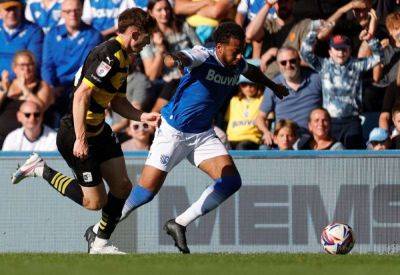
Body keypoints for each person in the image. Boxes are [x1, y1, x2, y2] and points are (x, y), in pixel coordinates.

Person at [84, 22, 288, 254]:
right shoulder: (204, 55)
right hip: (173, 131)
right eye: (235, 50)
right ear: (219, 47)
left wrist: (274, 86)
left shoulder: (237, 63)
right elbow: (183, 56)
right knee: (145, 193)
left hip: (202, 134)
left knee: (231, 181)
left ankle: (179, 223)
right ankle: (97, 231)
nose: (240, 55)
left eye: (242, 50)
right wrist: (177, 59)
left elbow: (251, 71)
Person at [11, 8, 160, 255]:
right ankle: (40, 169)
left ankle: (99, 243)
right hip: (75, 132)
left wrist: (142, 115)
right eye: (146, 37)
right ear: (134, 34)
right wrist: (80, 139)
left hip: (99, 129)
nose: (148, 42)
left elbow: (118, 102)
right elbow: (81, 95)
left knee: (122, 187)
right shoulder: (109, 55)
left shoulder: (124, 58)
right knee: (94, 202)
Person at [300, 20, 382, 149]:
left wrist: (370, 39)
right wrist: (313, 31)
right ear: (330, 51)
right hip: (330, 121)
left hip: (352, 120)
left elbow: (378, 57)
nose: (340, 52)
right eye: (337, 49)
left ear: (350, 50)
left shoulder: (357, 64)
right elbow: (305, 54)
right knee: (331, 156)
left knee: (354, 155)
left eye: (344, 49)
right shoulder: (324, 65)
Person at [42, 0, 103, 121]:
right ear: (62, 13)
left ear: (82, 11)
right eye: (68, 11)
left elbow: (90, 68)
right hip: (56, 86)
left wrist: (79, 87)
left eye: (76, 10)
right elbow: (47, 65)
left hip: (81, 86)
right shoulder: (52, 34)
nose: (72, 14)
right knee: (41, 98)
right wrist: (51, 87)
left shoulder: (94, 36)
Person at [255, 46, 321, 147]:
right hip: (285, 140)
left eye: (292, 61)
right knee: (264, 149)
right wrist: (266, 132)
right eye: (283, 62)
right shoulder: (273, 85)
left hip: (311, 139)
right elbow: (260, 117)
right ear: (278, 65)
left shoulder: (316, 79)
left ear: (299, 61)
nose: (288, 65)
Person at [0, 50, 52, 147]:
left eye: (30, 65)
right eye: (22, 66)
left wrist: (25, 88)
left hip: (29, 139)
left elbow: (40, 108)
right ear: (14, 68)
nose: (26, 69)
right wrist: (3, 90)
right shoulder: (7, 84)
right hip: (2, 137)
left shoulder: (42, 86)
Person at [0, 0, 43, 79]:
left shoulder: (34, 32)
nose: (12, 13)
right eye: (8, 9)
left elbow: (33, 64)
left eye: (15, 9)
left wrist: (8, 78)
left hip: (20, 81)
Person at [225, 74, 263, 150]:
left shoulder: (262, 100)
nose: (248, 87)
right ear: (239, 86)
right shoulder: (234, 100)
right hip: (231, 138)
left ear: (257, 85)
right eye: (244, 84)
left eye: (252, 84)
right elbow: (227, 120)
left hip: (251, 138)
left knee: (242, 147)